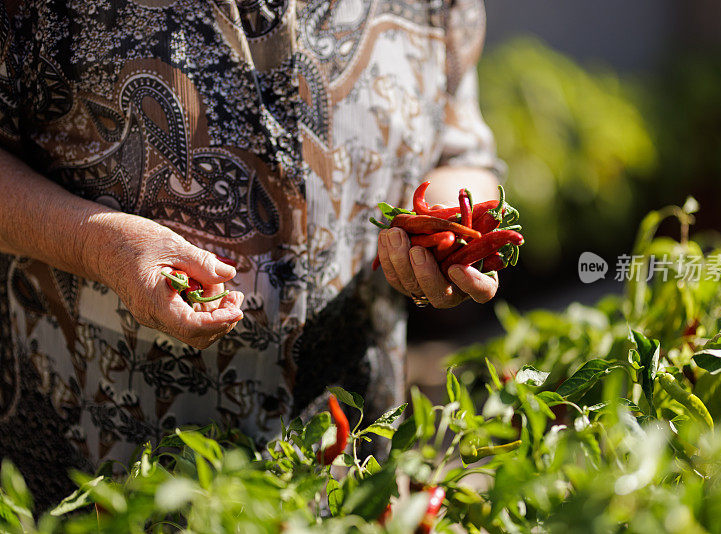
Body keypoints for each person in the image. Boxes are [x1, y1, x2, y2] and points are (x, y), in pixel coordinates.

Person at [0, 0, 502, 510]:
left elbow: (461, 150)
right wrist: (97, 245)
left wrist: (450, 228)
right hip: (98, 460)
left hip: (345, 454)